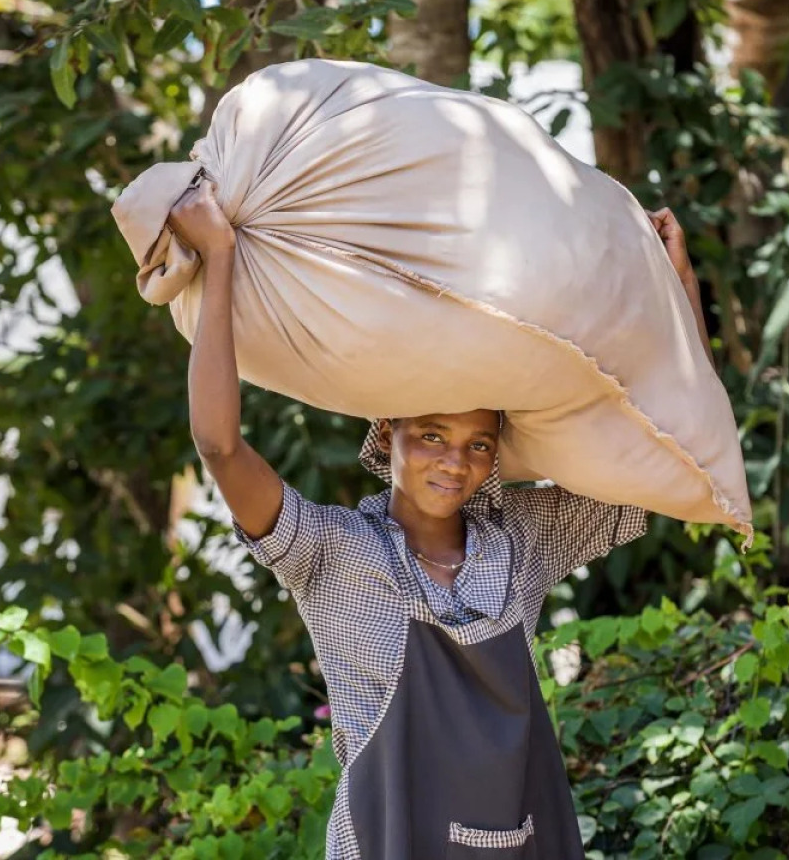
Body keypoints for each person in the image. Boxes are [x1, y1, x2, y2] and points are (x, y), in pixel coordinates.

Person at [168, 180, 713, 860]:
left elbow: (678, 459)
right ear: (387, 431)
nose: (455, 463)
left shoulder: (523, 539)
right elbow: (220, 447)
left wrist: (679, 289)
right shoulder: (331, 553)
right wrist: (220, 255)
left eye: (478, 444)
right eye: (431, 435)